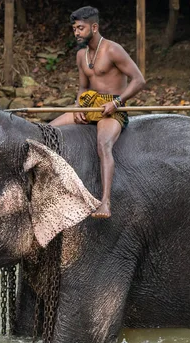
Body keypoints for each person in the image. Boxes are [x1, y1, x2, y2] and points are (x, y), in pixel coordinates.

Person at [50, 6, 146, 219]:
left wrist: (118, 103)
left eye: (81, 28)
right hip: (90, 105)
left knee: (103, 145)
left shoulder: (113, 50)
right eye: (74, 28)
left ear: (94, 27)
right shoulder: (81, 55)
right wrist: (78, 107)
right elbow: (83, 88)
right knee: (47, 131)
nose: (76, 33)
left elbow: (139, 80)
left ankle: (105, 202)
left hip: (111, 108)